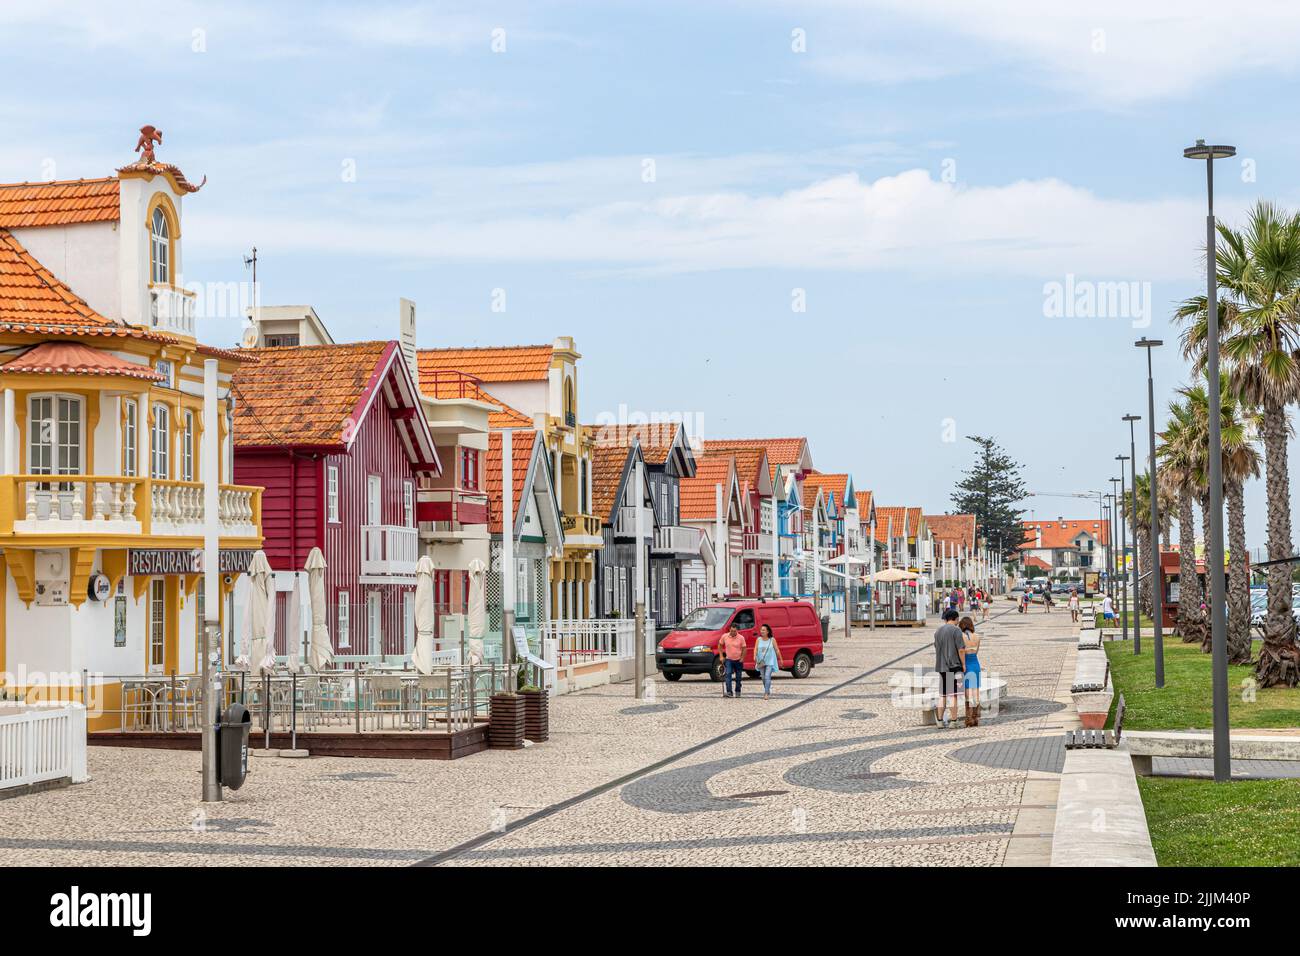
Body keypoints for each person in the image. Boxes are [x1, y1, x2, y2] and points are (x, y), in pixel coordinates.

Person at [932, 609, 965, 729]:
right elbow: (961, 649)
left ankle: (940, 721)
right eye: (958, 619)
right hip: (954, 666)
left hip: (941, 666)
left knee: (943, 695)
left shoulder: (938, 631)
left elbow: (936, 646)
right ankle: (954, 721)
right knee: (953, 695)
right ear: (955, 619)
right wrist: (963, 664)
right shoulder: (956, 630)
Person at [958, 615, 982, 727]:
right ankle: (975, 717)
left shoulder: (961, 636)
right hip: (975, 663)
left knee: (968, 691)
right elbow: (976, 651)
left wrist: (963, 664)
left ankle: (968, 718)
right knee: (976, 690)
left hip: (966, 664)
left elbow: (961, 651)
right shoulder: (977, 636)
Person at [719, 623, 746, 698]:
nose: (733, 632)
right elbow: (720, 645)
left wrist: (742, 658)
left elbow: (744, 648)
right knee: (728, 674)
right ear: (729, 629)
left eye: (734, 631)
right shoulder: (725, 636)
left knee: (738, 677)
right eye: (731, 631)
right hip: (729, 659)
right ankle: (729, 692)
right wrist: (721, 656)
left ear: (737, 630)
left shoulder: (741, 638)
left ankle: (738, 691)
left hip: (738, 660)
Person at [754, 623, 780, 700]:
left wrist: (780, 658)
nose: (761, 631)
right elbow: (755, 648)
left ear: (767, 631)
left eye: (763, 630)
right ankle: (767, 689)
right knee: (763, 677)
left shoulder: (772, 640)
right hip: (761, 661)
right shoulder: (758, 639)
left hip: (770, 661)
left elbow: (777, 649)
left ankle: (766, 693)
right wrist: (754, 655)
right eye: (761, 630)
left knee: (767, 676)